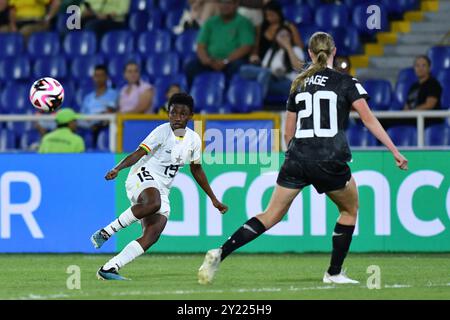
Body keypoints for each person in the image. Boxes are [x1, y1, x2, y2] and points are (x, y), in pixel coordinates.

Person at [197, 32, 409, 285]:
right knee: (349, 210)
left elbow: (288, 132)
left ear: (309, 53)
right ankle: (333, 273)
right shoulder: (346, 82)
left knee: (270, 214)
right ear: (334, 51)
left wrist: (297, 159)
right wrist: (394, 150)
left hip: (297, 157)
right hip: (330, 159)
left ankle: (221, 252)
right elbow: (368, 118)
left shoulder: (298, 83)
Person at [90, 93, 228, 280]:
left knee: (153, 233)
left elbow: (197, 170)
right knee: (153, 202)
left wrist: (213, 199)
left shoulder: (194, 140)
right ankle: (106, 232)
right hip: (141, 175)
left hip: (162, 188)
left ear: (191, 116)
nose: (177, 117)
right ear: (168, 114)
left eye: (182, 114)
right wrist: (118, 168)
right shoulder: (162, 132)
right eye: (173, 113)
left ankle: (109, 268)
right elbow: (139, 153)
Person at [185, 0, 255, 86]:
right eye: (221, 2)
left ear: (236, 4)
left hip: (232, 61)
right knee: (190, 67)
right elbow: (201, 45)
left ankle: (230, 96)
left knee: (238, 67)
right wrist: (206, 60)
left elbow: (246, 47)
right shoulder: (210, 22)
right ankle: (194, 94)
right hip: (211, 60)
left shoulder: (243, 22)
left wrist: (226, 61)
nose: (225, 6)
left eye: (228, 3)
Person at [240, 25, 304, 99]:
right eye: (282, 35)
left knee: (264, 74)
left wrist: (288, 47)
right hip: (270, 79)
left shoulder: (296, 49)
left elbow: (300, 68)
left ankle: (257, 101)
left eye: (287, 36)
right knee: (243, 69)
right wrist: (256, 62)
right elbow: (264, 69)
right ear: (276, 37)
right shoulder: (272, 51)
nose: (285, 38)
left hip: (288, 83)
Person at [249, 1, 303, 67]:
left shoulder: (288, 27)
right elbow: (256, 44)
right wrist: (254, 55)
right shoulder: (263, 26)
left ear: (279, 13)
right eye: (266, 15)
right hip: (262, 61)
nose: (269, 18)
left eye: (271, 15)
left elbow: (299, 47)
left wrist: (287, 45)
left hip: (280, 61)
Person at [80, 64, 118, 146]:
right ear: (93, 77)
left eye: (101, 75)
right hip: (87, 123)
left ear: (106, 77)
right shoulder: (88, 97)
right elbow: (82, 115)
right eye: (96, 76)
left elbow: (110, 111)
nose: (99, 78)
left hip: (102, 123)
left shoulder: (113, 94)